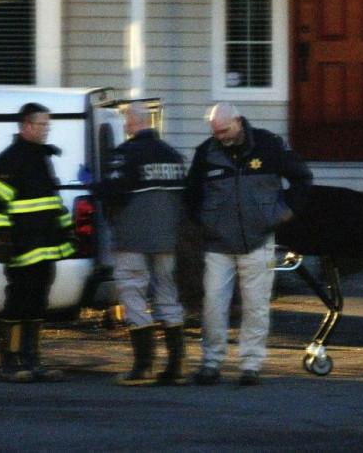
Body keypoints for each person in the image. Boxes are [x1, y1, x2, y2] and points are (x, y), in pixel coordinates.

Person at [185, 103, 313, 386]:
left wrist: (284, 213)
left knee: (256, 306)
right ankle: (211, 363)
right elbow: (191, 195)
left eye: (226, 130)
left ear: (239, 122)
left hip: (259, 240)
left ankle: (251, 365)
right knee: (213, 306)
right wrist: (206, 223)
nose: (222, 137)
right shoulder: (206, 152)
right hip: (218, 245)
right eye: (216, 131)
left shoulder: (270, 145)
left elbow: (302, 178)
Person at [96, 101, 188, 386]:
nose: (125, 126)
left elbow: (114, 193)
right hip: (168, 240)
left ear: (132, 123)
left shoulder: (124, 155)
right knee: (168, 296)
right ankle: (176, 367)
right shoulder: (173, 156)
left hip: (132, 240)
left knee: (133, 296)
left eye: (126, 121)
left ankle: (143, 366)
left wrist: (93, 186)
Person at [0, 103, 76, 382]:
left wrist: (68, 234)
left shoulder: (41, 159)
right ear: (27, 125)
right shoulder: (9, 161)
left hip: (44, 246)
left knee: (37, 302)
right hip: (22, 247)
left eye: (48, 125)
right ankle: (10, 362)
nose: (47, 130)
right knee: (19, 301)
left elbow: (53, 204)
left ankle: (32, 360)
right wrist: (4, 237)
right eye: (43, 125)